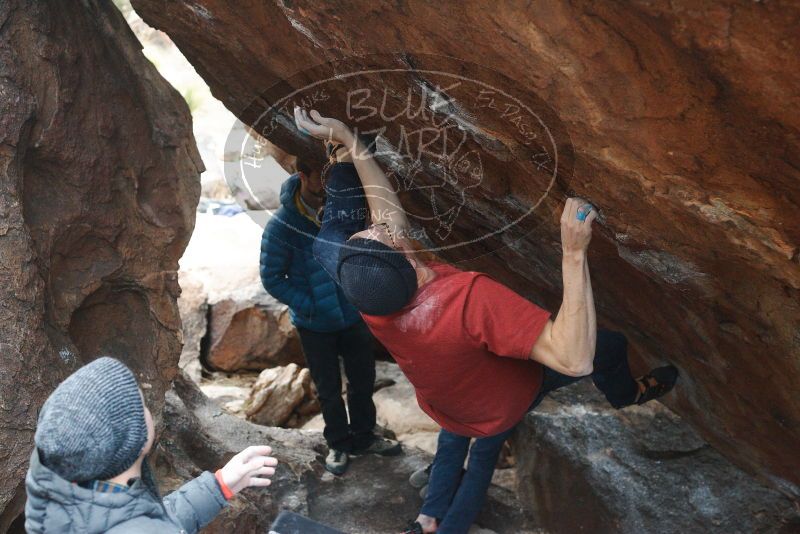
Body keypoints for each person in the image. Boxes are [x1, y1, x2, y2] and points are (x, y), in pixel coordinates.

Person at [293, 107, 679, 534]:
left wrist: (351, 144)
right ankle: (627, 395)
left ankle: (426, 523)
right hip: (505, 399)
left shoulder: (367, 290)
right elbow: (574, 361)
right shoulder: (465, 301)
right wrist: (573, 251)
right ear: (404, 253)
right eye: (380, 233)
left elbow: (377, 219)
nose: (378, 224)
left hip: (448, 402)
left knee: (455, 434)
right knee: (607, 350)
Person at [260, 158, 400, 476]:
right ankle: (338, 443)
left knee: (363, 380)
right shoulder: (282, 224)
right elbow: (271, 276)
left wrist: (360, 292)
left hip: (352, 314)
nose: (327, 185)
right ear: (302, 175)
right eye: (319, 178)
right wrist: (309, 305)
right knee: (328, 388)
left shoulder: (341, 211)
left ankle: (365, 437)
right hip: (314, 324)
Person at [25, 357, 278, 533]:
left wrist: (219, 485)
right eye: (140, 403)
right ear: (132, 440)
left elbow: (135, 521)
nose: (146, 408)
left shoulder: (61, 505)